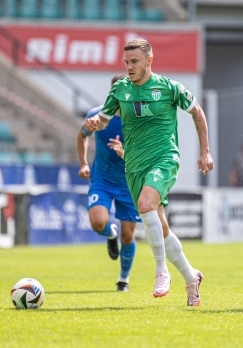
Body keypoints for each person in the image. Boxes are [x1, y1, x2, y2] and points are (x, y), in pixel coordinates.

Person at [84, 38, 214, 307]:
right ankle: (191, 278)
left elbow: (197, 112)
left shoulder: (168, 88)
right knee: (161, 227)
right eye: (126, 62)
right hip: (134, 166)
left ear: (149, 60)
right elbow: (104, 119)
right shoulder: (120, 89)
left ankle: (161, 271)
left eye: (135, 62)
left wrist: (205, 151)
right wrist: (96, 122)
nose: (129, 67)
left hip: (164, 159)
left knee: (145, 205)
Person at [76, 74, 141, 292]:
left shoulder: (139, 119)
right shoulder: (97, 115)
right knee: (97, 223)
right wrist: (84, 163)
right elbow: (81, 135)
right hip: (102, 179)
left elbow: (145, 154)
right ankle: (110, 234)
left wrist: (125, 153)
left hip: (129, 182)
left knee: (128, 235)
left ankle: (124, 279)